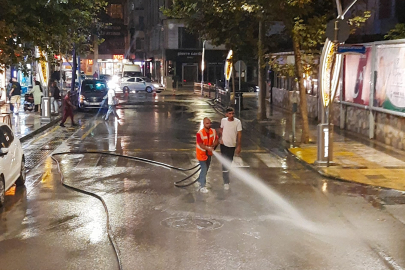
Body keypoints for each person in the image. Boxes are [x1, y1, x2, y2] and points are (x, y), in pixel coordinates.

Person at [219, 107, 242, 190]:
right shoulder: (223, 120)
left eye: (232, 113)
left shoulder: (237, 122)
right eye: (229, 114)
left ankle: (226, 178)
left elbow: (239, 134)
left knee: (229, 162)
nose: (231, 115)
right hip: (224, 145)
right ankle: (226, 181)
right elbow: (221, 129)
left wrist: (239, 145)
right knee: (224, 163)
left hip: (232, 145)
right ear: (226, 114)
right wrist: (221, 138)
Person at [196, 117, 218, 193]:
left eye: (210, 123)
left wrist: (212, 145)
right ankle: (202, 186)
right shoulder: (200, 133)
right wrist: (208, 148)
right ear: (203, 124)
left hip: (209, 154)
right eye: (207, 123)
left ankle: (200, 180)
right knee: (204, 168)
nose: (209, 125)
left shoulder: (213, 131)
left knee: (206, 169)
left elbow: (216, 140)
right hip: (201, 154)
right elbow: (201, 144)